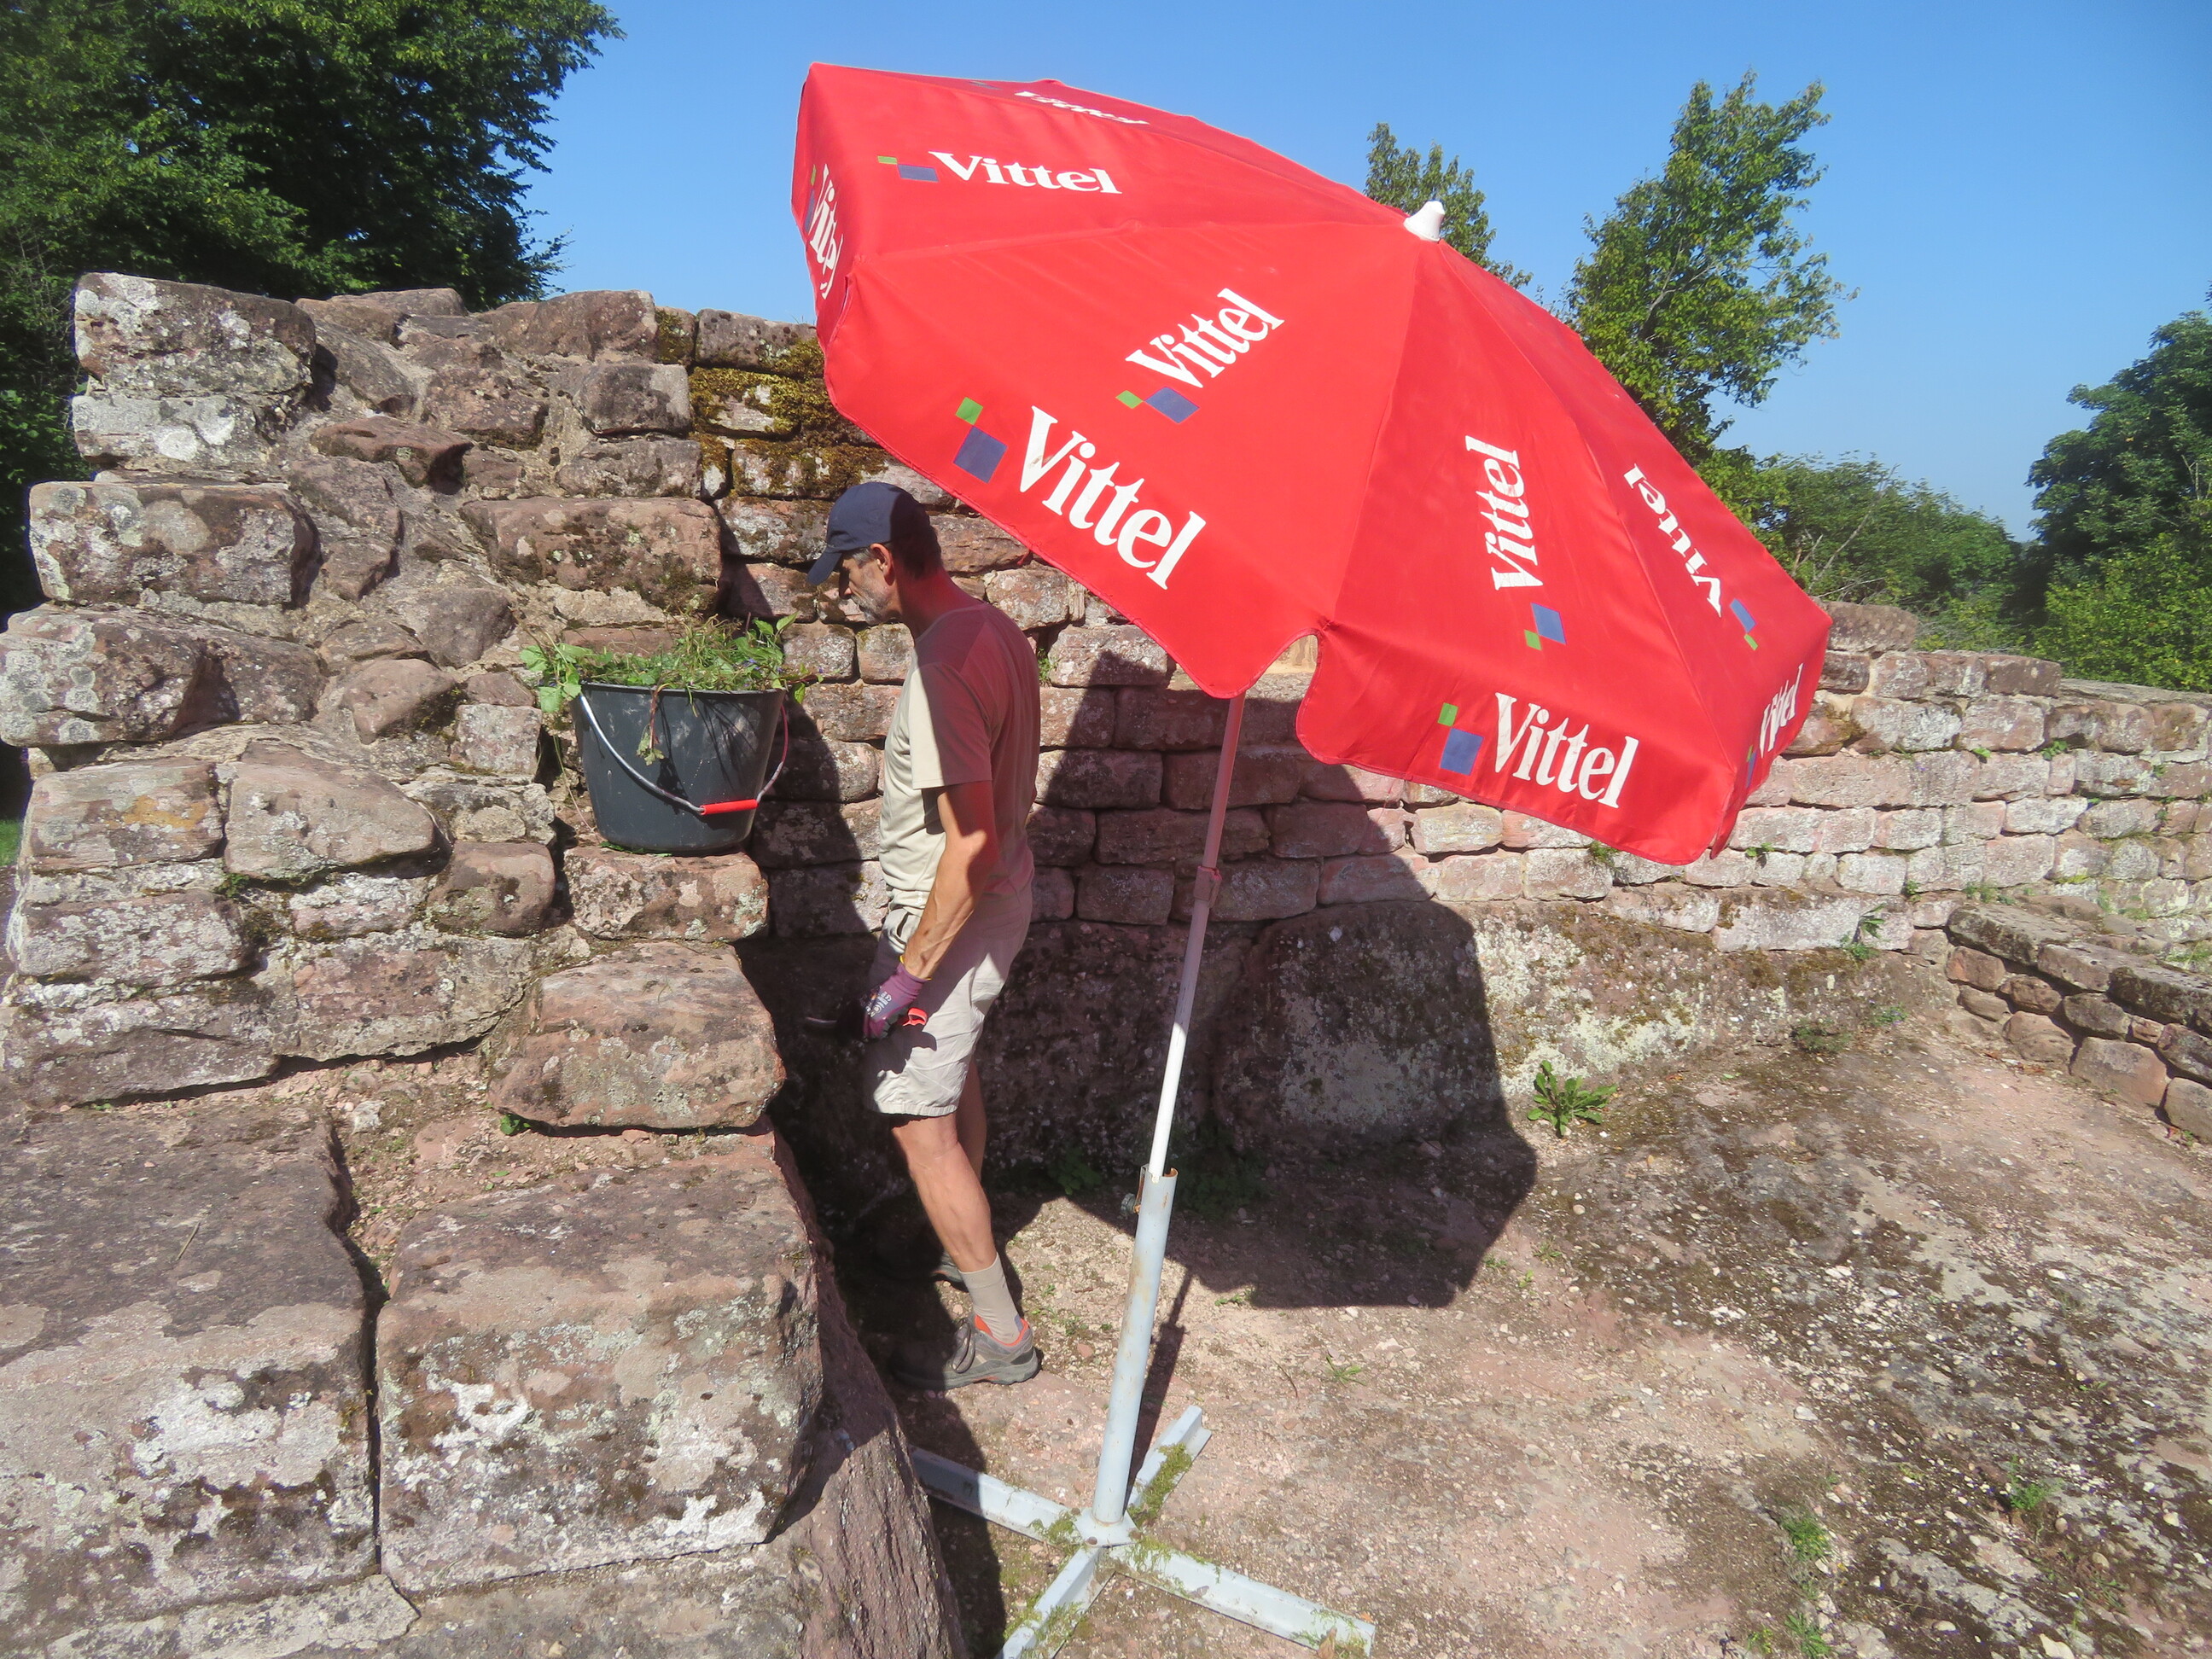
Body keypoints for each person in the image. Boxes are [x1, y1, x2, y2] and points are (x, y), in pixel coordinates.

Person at [806, 480, 1042, 1389]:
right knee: (953, 1076)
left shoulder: (944, 669)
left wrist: (906, 977)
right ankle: (957, 1242)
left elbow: (969, 846)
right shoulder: (995, 631)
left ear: (883, 561)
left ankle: (1001, 1336)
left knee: (916, 1122)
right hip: (995, 903)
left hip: (951, 916)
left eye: (845, 575)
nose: (844, 595)